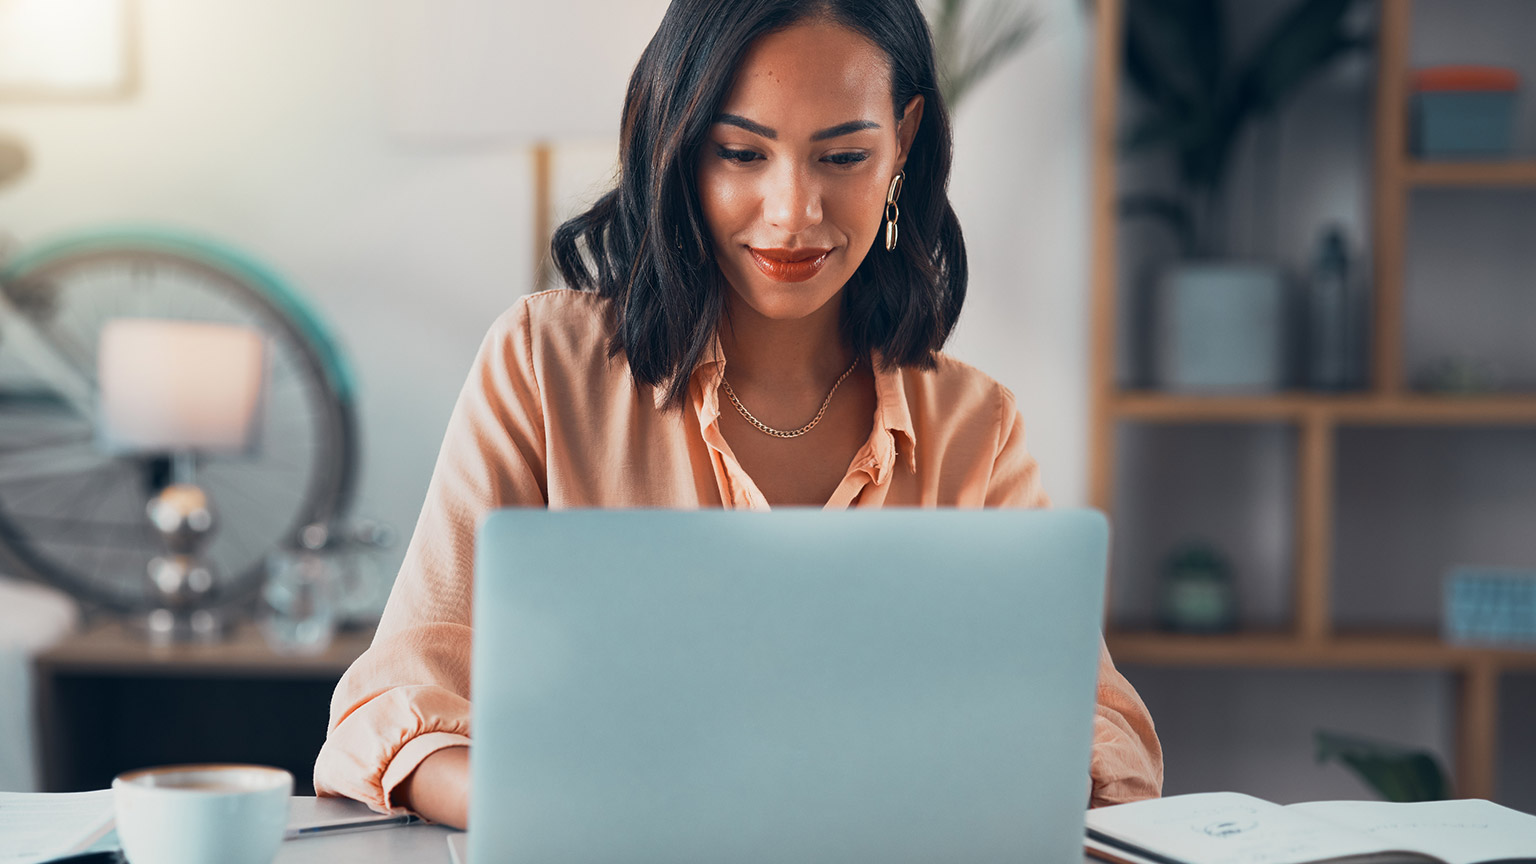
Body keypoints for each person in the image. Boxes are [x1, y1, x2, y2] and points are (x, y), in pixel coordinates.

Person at [314, 0, 1162, 829]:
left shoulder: (973, 426)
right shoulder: (542, 365)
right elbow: (391, 703)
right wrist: (551, 815)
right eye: (741, 153)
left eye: (842, 157)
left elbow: (1104, 734)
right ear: (679, 146)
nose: (793, 213)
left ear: (902, 140)